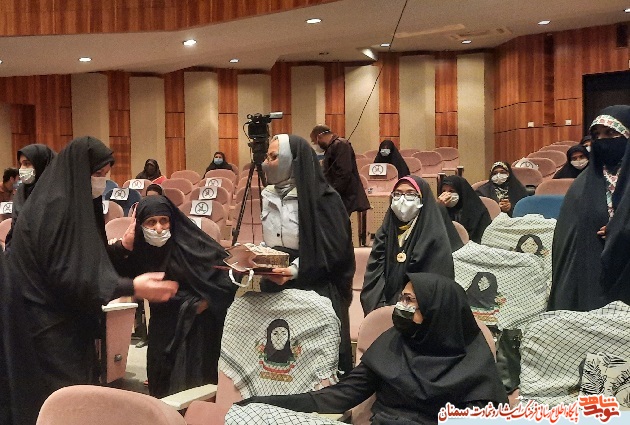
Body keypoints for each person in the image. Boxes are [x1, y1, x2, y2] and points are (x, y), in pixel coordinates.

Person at [4, 136, 178, 423]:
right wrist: (132, 287)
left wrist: (122, 247)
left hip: (65, 323)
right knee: (62, 406)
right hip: (46, 329)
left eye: (105, 174)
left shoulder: (72, 202)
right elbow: (69, 275)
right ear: (77, 171)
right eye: (97, 174)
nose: (101, 182)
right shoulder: (55, 207)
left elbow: (83, 261)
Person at [233, 273, 507, 425]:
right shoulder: (393, 342)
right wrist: (263, 403)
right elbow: (338, 397)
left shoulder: (474, 362)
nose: (401, 307)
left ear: (438, 312)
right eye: (402, 298)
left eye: (410, 301)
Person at [113, 196, 236, 397]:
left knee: (193, 387)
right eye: (151, 222)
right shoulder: (141, 250)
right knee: (161, 383)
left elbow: (227, 278)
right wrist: (123, 246)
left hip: (196, 327)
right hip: (162, 325)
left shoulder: (193, 245)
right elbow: (114, 276)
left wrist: (203, 303)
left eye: (164, 221)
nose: (159, 228)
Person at [258, 134, 355, 374]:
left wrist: (294, 270)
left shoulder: (325, 198)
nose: (265, 163)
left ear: (293, 160)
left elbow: (335, 250)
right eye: (266, 157)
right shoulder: (268, 195)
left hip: (314, 285)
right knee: (279, 366)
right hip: (276, 285)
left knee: (310, 367)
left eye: (273, 157)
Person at [549, 105, 630, 311]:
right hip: (594, 274)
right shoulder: (582, 184)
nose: (602, 140)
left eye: (610, 133)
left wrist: (621, 230)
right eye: (597, 135)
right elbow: (568, 242)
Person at [361, 176, 461, 315]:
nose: (402, 199)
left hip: (419, 311)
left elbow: (433, 284)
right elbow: (374, 275)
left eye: (410, 194)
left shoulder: (434, 235)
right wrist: (381, 308)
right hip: (385, 306)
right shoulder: (385, 231)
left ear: (422, 199)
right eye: (397, 194)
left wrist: (403, 307)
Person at [310, 124, 370, 216]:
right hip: (338, 195)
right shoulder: (332, 147)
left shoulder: (341, 145)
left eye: (315, 142)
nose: (316, 145)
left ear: (319, 137)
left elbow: (344, 173)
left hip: (344, 195)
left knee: (341, 223)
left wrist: (332, 192)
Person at [4, 144, 56, 249]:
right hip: (20, 252)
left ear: (41, 165)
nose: (22, 169)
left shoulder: (56, 194)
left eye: (27, 164)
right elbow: (15, 230)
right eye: (21, 164)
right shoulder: (21, 192)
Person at [437, 175, 492, 243]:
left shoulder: (478, 210)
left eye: (451, 191)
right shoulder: (441, 209)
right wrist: (439, 208)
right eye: (443, 191)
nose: (447, 195)